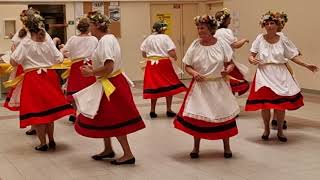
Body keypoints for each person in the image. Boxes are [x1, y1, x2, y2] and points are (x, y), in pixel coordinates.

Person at [73, 11, 145, 165]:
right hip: (111, 83)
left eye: (91, 25)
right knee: (103, 116)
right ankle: (108, 149)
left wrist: (91, 72)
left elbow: (109, 66)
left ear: (97, 25)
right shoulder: (108, 39)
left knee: (115, 118)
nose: (90, 28)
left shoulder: (105, 41)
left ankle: (128, 154)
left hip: (111, 84)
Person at [246, 11, 319, 142]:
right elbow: (251, 54)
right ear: (264, 25)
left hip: (280, 74)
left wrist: (306, 65)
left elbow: (293, 56)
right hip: (264, 73)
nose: (269, 26)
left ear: (277, 24)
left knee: (281, 105)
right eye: (267, 23)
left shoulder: (283, 39)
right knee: (265, 105)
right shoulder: (259, 39)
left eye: (272, 23)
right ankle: (266, 129)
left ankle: (280, 131)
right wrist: (252, 59)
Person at [173, 15, 240, 159]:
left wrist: (227, 70)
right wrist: (194, 73)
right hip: (200, 87)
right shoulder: (195, 45)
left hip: (219, 86)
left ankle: (227, 147)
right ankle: (196, 147)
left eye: (202, 28)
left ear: (211, 29)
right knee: (199, 117)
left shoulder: (221, 44)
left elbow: (230, 63)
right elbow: (187, 66)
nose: (199, 30)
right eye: (198, 28)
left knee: (223, 116)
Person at [9, 12, 75, 151]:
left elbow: (13, 62)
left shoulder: (26, 43)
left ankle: (42, 143)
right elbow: (59, 59)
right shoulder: (48, 41)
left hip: (33, 78)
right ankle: (51, 140)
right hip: (49, 76)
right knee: (49, 110)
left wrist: (15, 53)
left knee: (38, 112)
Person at [140, 20, 187, 118]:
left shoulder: (148, 38)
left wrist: (151, 55)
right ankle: (169, 109)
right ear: (162, 29)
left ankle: (152, 110)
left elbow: (144, 53)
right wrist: (175, 57)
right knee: (169, 85)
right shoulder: (165, 37)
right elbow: (171, 51)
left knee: (153, 87)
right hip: (163, 64)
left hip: (151, 65)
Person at [60, 17, 98, 122]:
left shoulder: (73, 39)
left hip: (76, 66)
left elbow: (64, 52)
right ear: (89, 28)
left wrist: (71, 54)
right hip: (89, 65)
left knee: (75, 90)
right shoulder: (94, 39)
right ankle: (88, 112)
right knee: (88, 90)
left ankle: (74, 113)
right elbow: (96, 53)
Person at [214, 8, 250, 96]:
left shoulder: (214, 32)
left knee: (221, 83)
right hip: (227, 61)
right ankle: (229, 103)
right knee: (232, 83)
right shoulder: (226, 31)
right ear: (225, 20)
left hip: (216, 61)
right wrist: (244, 40)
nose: (230, 20)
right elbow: (235, 45)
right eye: (229, 18)